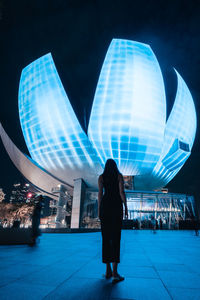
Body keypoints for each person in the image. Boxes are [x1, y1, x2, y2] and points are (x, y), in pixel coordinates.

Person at [98, 159, 128, 284]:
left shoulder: (101, 177)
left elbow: (100, 194)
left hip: (105, 207)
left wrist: (99, 210)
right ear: (115, 166)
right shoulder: (118, 176)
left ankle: (108, 270)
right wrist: (126, 207)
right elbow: (121, 192)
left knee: (106, 238)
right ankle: (115, 273)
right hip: (116, 207)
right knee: (116, 238)